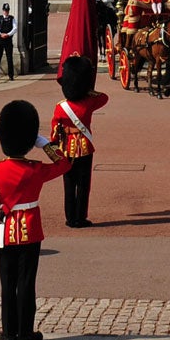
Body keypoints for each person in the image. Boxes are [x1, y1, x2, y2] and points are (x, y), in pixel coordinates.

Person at [0, 99, 72, 340]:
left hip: (4, 231)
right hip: (30, 230)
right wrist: (44, 143)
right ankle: (25, 332)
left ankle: (9, 332)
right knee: (26, 282)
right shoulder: (35, 169)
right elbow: (65, 164)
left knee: (7, 283)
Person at [51, 55, 108, 227]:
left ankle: (70, 217)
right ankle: (80, 217)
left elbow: (54, 131)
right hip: (84, 147)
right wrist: (87, 89)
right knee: (83, 185)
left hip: (66, 147)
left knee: (69, 185)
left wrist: (55, 147)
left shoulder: (60, 107)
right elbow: (104, 97)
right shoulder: (89, 103)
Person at [0, 3, 17, 81]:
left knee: (9, 58)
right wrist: (0, 34)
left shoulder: (12, 18)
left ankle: (11, 75)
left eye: (7, 10)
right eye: (5, 10)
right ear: (3, 10)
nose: (6, 12)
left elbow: (15, 28)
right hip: (0, 40)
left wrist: (8, 34)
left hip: (8, 40)